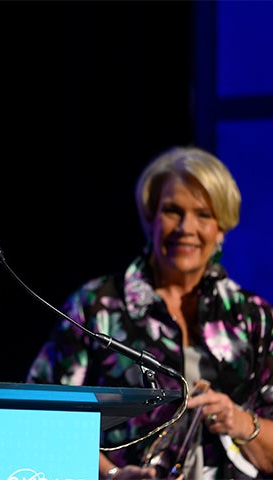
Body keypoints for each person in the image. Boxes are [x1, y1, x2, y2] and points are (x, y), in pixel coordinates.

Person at [26, 146, 273, 480]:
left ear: (221, 229)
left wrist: (240, 421)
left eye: (203, 214)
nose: (186, 227)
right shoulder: (97, 306)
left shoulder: (254, 318)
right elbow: (40, 416)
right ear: (150, 218)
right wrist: (113, 475)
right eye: (172, 211)